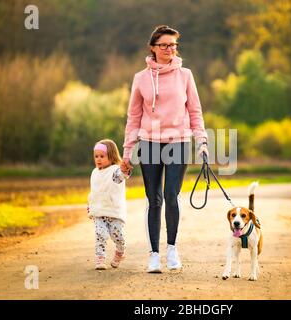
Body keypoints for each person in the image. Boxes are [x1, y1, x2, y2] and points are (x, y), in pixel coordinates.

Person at [120, 25, 209, 273]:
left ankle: (171, 249)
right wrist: (127, 153)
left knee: (171, 196)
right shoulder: (140, 79)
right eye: (165, 45)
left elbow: (195, 111)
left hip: (179, 141)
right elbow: (133, 118)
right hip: (149, 143)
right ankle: (153, 254)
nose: (170, 49)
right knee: (154, 199)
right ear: (153, 48)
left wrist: (201, 142)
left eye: (173, 45)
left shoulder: (186, 75)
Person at [88, 139, 131, 270]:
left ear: (111, 156)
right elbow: (93, 192)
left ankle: (120, 251)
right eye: (96, 156)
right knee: (100, 234)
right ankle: (100, 258)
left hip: (114, 212)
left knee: (117, 236)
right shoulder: (95, 173)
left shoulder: (114, 170)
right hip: (99, 212)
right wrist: (90, 205)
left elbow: (121, 176)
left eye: (102, 156)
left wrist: (124, 170)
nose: (98, 159)